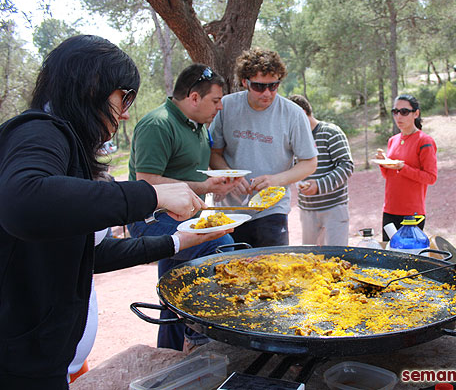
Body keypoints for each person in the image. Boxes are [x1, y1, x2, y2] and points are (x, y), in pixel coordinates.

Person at [0, 35, 232, 389]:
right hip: (17, 361)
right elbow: (22, 202)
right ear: (91, 87)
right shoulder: (39, 132)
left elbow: (89, 254)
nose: (124, 113)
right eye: (123, 97)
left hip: (43, 359)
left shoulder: (67, 148)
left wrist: (177, 242)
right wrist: (150, 195)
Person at [127, 64, 242, 351]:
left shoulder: (199, 126)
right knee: (223, 246)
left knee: (174, 288)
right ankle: (203, 340)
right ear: (193, 97)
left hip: (187, 217)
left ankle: (169, 354)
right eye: (215, 101)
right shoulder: (158, 124)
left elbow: (201, 168)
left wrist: (226, 177)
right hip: (153, 221)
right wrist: (205, 188)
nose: (219, 108)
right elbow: (148, 182)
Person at [210, 48, 317, 247]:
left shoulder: (293, 114)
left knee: (272, 271)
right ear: (245, 82)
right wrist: (230, 174)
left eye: (273, 86)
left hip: (272, 209)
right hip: (230, 211)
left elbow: (309, 163)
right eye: (259, 86)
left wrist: (276, 180)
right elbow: (213, 153)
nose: (267, 93)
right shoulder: (226, 106)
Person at [289, 94, 354, 246]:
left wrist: (319, 185)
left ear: (302, 113)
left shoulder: (330, 132)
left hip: (334, 208)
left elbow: (346, 166)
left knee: (336, 258)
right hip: (307, 210)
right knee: (311, 260)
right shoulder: (294, 139)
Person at [375, 94, 437, 241]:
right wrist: (384, 163)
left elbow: (431, 177)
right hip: (390, 209)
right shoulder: (393, 140)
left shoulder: (425, 141)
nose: (398, 117)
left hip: (412, 214)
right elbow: (389, 175)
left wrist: (403, 168)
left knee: (409, 258)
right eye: (395, 112)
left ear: (416, 113)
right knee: (389, 256)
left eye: (404, 112)